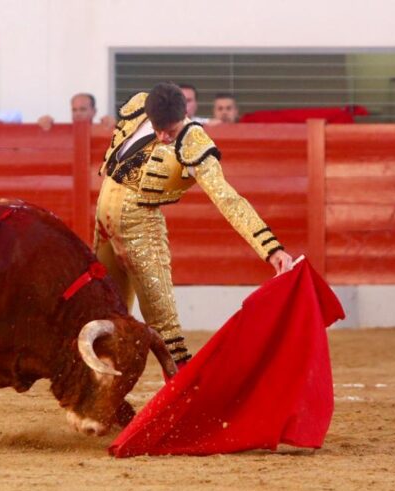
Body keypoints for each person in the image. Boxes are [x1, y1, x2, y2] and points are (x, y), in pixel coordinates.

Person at [94, 82, 292, 365]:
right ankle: (100, 392)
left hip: (142, 231)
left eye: (170, 131)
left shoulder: (194, 141)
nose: (163, 137)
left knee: (165, 330)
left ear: (185, 116)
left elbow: (227, 198)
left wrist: (270, 248)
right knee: (102, 311)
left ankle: (188, 396)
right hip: (104, 227)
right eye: (158, 128)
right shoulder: (139, 105)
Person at [37, 92, 116, 130]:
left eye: (83, 109)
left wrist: (115, 128)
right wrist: (42, 127)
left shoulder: (103, 132)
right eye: (74, 110)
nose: (77, 114)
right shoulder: (63, 135)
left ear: (94, 111)